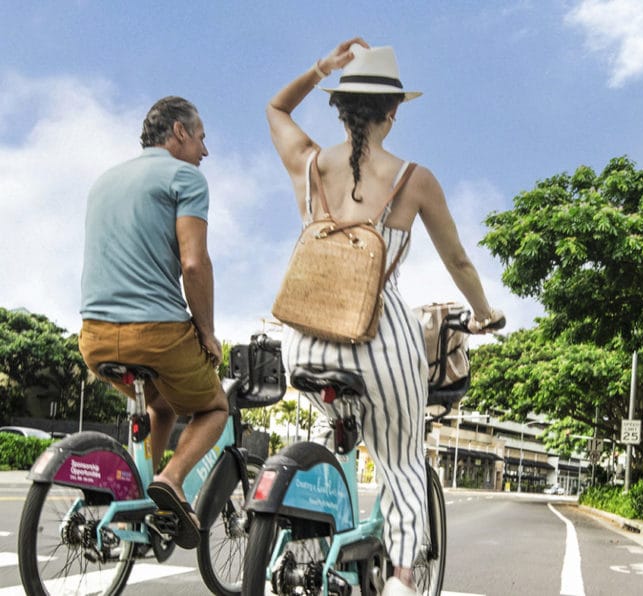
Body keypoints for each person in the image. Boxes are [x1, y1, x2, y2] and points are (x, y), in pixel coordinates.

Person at [267, 39, 503, 595]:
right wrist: (486, 314)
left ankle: (303, 536)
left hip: (301, 341)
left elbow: (275, 109)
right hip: (377, 342)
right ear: (393, 113)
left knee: (339, 426)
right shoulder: (414, 179)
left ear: (339, 109)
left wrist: (322, 66)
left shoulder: (308, 165)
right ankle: (400, 577)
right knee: (400, 461)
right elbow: (459, 261)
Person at [78, 96, 228, 550]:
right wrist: (206, 333)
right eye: (201, 137)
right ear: (179, 132)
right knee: (215, 407)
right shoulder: (186, 177)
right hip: (157, 334)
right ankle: (171, 478)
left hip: (94, 336)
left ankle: (140, 501)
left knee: (161, 405)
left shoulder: (104, 180)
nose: (205, 150)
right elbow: (194, 263)